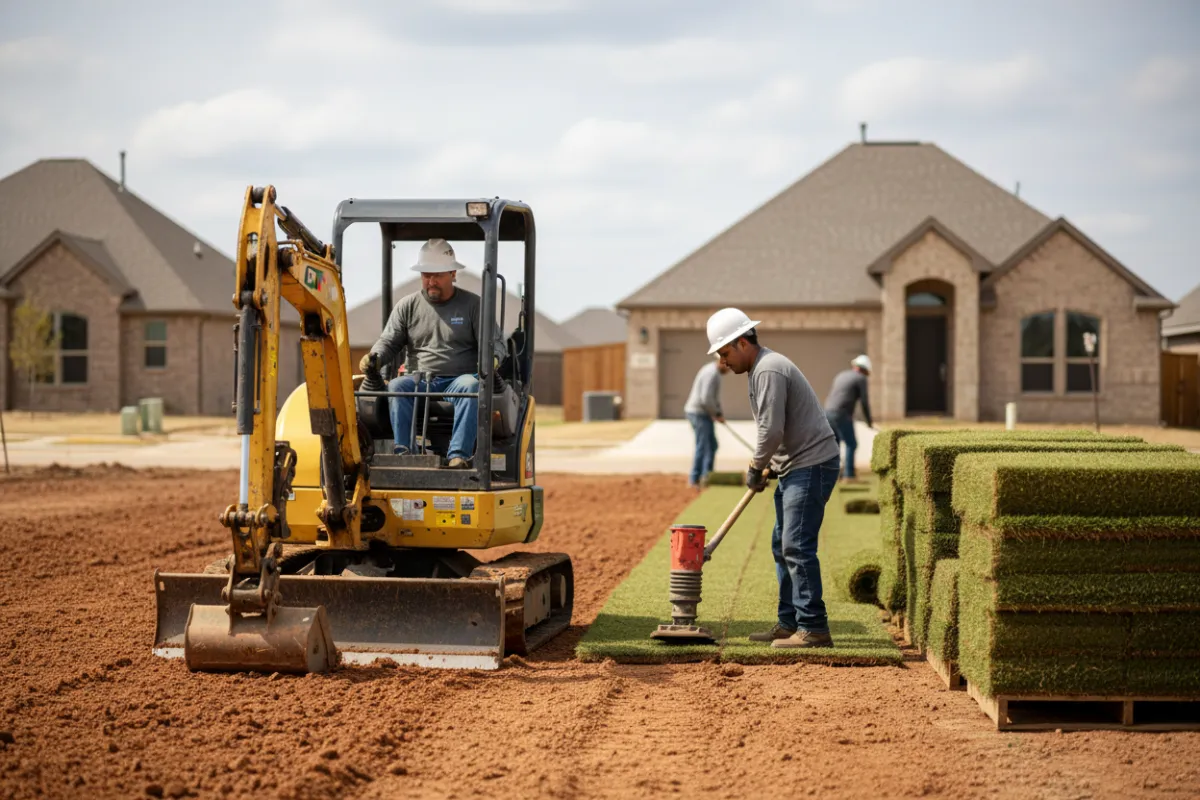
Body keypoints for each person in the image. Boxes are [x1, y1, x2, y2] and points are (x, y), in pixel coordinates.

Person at [706, 307, 841, 649]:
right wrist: (772, 464)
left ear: (740, 342)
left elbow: (770, 430)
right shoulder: (761, 368)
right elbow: (778, 430)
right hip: (795, 465)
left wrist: (755, 468)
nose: (723, 362)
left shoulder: (768, 370)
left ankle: (814, 628)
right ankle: (789, 623)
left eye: (724, 353)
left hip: (811, 464)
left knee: (796, 545)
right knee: (782, 546)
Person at [360, 238, 505, 468]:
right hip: (420, 379)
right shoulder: (408, 306)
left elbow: (495, 343)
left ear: (453, 273)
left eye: (437, 275)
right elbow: (388, 341)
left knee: (471, 386)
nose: (431, 281)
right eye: (426, 275)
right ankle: (405, 453)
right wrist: (374, 357)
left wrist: (493, 359)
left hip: (459, 379)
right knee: (397, 387)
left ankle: (458, 455)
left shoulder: (473, 306)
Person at [824, 354, 874, 480]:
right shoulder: (860, 378)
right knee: (851, 444)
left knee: (835, 444)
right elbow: (864, 402)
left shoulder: (842, 375)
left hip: (827, 412)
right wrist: (869, 421)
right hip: (841, 413)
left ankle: (832, 474)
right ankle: (848, 474)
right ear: (865, 369)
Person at [683, 356, 730, 489]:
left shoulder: (716, 373)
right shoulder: (711, 373)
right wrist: (716, 413)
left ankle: (706, 476)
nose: (730, 369)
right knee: (703, 446)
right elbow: (706, 399)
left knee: (712, 445)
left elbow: (714, 398)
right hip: (698, 413)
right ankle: (696, 479)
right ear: (722, 361)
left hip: (704, 413)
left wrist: (719, 412)